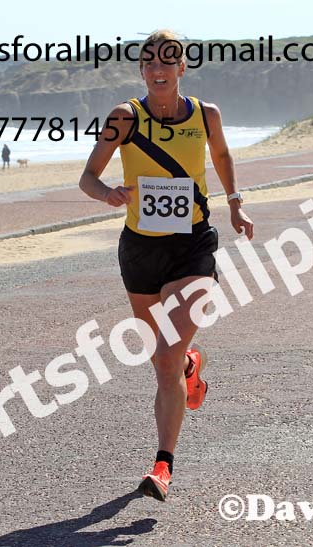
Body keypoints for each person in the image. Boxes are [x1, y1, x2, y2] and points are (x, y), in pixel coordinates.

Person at [78, 29, 254, 502]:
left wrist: (235, 203)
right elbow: (87, 176)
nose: (158, 69)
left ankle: (162, 465)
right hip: (139, 251)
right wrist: (108, 193)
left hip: (192, 246)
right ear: (141, 70)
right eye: (150, 62)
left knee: (166, 359)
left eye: (167, 61)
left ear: (182, 67)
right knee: (163, 357)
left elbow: (222, 155)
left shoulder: (205, 115)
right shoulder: (124, 117)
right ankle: (191, 367)